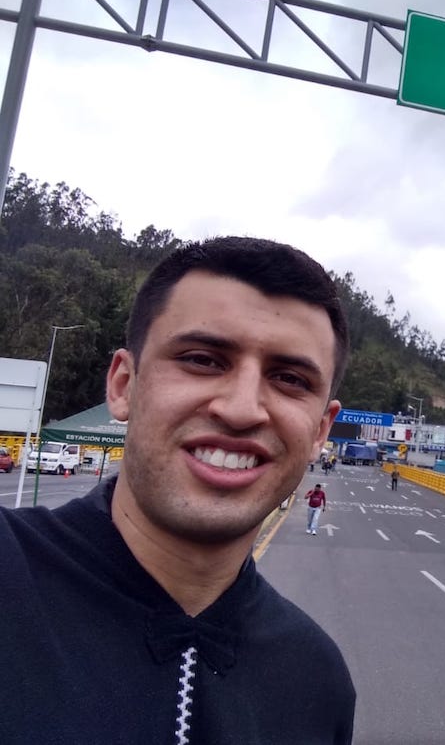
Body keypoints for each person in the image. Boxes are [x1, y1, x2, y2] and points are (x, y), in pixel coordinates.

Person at [0, 237, 356, 744]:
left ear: (321, 430)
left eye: (289, 378)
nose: (240, 409)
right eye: (203, 360)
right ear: (124, 385)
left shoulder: (317, 680)